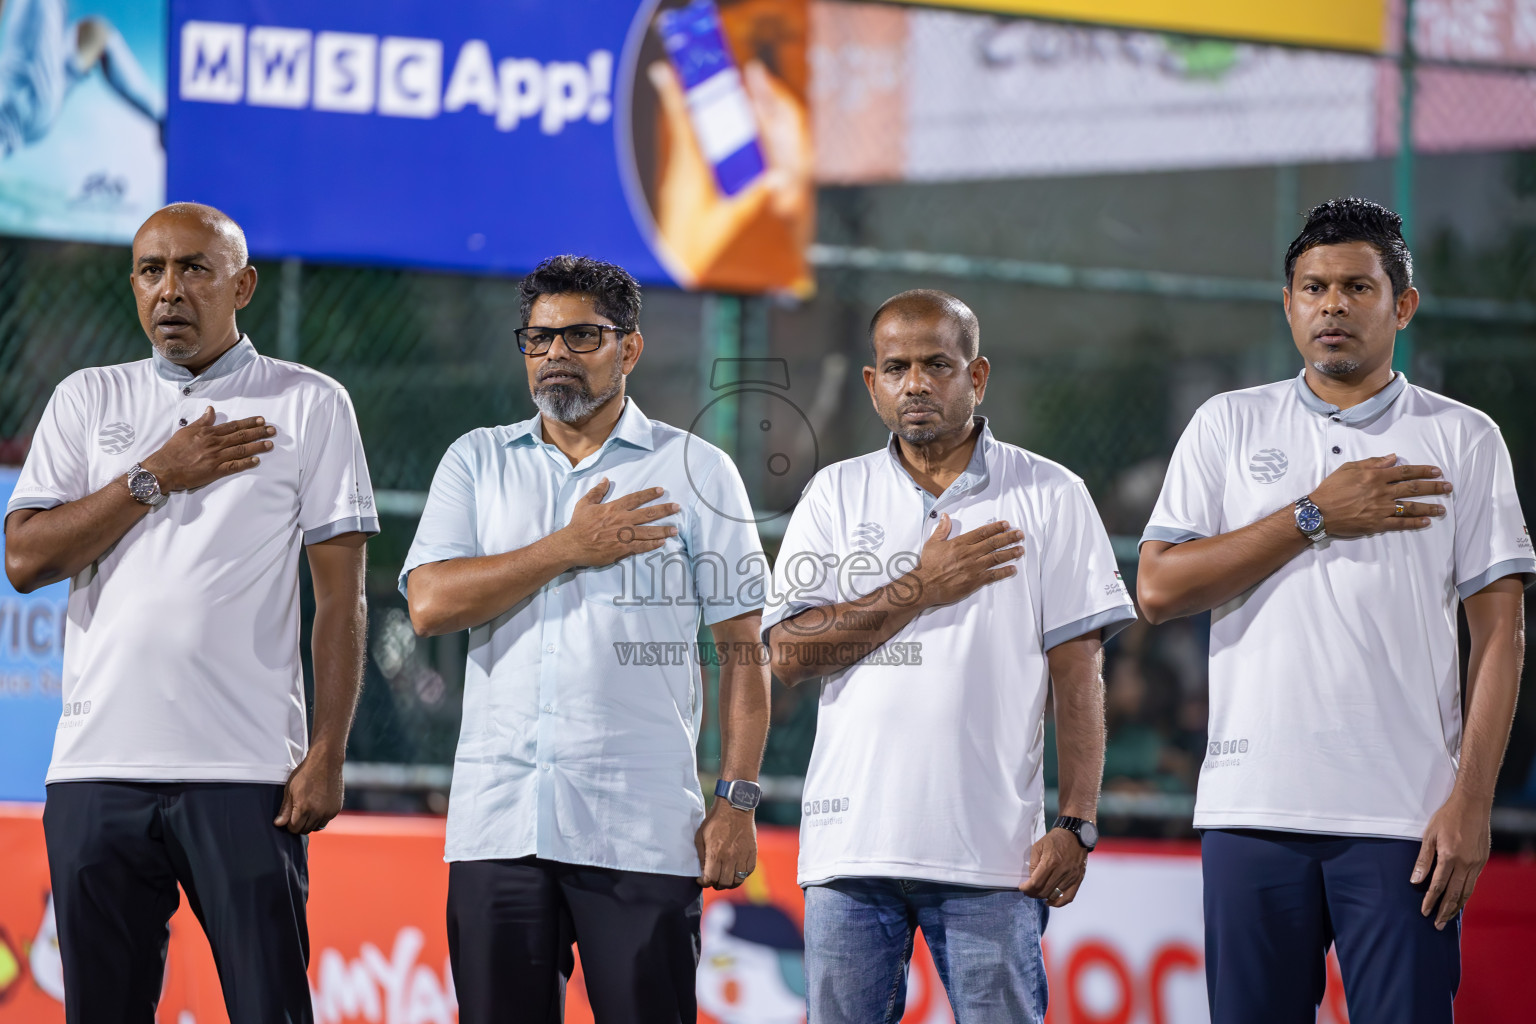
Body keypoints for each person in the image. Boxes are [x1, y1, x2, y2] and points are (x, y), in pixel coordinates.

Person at [1137, 197, 1533, 1023]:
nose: (1333, 306)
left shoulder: (1464, 438)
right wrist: (1313, 514)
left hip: (1409, 821)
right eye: (1313, 288)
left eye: (1357, 286)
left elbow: (1500, 636)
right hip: (1253, 809)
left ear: (1403, 305)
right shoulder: (1227, 424)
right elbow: (1159, 589)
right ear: (1288, 305)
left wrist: (1470, 804)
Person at [3, 202, 376, 1023]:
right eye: (151, 271)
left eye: (194, 269)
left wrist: (328, 752)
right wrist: (156, 474)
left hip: (245, 774)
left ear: (241, 285)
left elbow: (339, 601)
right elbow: (27, 559)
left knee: (269, 1007)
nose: (170, 289)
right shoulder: (86, 399)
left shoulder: (311, 404)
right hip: (98, 769)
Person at [401, 254, 771, 1024]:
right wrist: (566, 548)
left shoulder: (698, 469)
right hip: (499, 823)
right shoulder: (477, 461)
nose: (555, 355)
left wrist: (735, 800)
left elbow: (744, 650)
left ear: (629, 349)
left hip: (638, 831)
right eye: (538, 340)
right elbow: (430, 605)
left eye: (581, 336)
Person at [763, 289, 1136, 1022]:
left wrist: (1077, 822)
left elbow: (1078, 670)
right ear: (872, 383)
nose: (917, 383)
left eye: (938, 363)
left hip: (994, 859)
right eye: (896, 367)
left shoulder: (1052, 494)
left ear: (978, 375)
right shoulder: (834, 494)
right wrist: (919, 587)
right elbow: (789, 654)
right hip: (850, 851)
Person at [0, 0, 165, 159]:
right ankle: (164, 115)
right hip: (26, 105)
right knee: (95, 34)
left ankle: (165, 117)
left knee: (95, 33)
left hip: (22, 101)